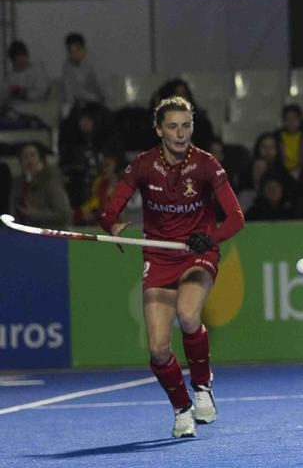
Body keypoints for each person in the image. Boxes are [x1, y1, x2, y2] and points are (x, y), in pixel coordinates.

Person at [99, 96, 244, 438]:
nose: (181, 134)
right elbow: (108, 212)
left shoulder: (208, 165)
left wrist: (210, 238)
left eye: (186, 126)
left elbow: (236, 218)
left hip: (197, 253)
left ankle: (203, 386)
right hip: (159, 258)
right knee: (159, 348)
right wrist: (113, 227)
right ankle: (182, 409)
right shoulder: (143, 166)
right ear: (159, 130)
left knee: (189, 314)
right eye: (173, 127)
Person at [9, 142, 72, 230]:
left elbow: (64, 215)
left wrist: (33, 213)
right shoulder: (18, 184)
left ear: (41, 160)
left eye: (33, 155)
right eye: (25, 156)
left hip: (50, 234)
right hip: (23, 236)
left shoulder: (51, 181)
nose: (29, 160)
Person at [61, 32, 104, 106]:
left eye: (77, 50)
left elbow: (104, 89)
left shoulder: (95, 64)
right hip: (79, 105)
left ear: (84, 48)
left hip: (98, 104)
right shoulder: (67, 67)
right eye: (71, 51)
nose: (75, 54)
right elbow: (70, 92)